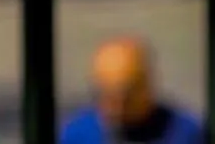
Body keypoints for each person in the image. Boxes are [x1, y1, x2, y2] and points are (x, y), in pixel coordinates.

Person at [60, 35, 202, 144]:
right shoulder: (76, 135)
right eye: (104, 94)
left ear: (147, 87)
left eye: (125, 96)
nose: (115, 107)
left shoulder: (185, 134)